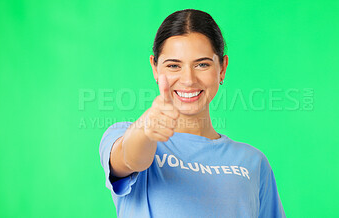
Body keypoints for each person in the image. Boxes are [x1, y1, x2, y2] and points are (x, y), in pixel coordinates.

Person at [99, 9, 286, 218]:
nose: (188, 79)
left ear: (222, 68)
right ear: (155, 68)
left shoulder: (253, 162)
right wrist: (146, 129)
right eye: (173, 65)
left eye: (202, 64)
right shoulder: (125, 134)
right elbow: (131, 158)